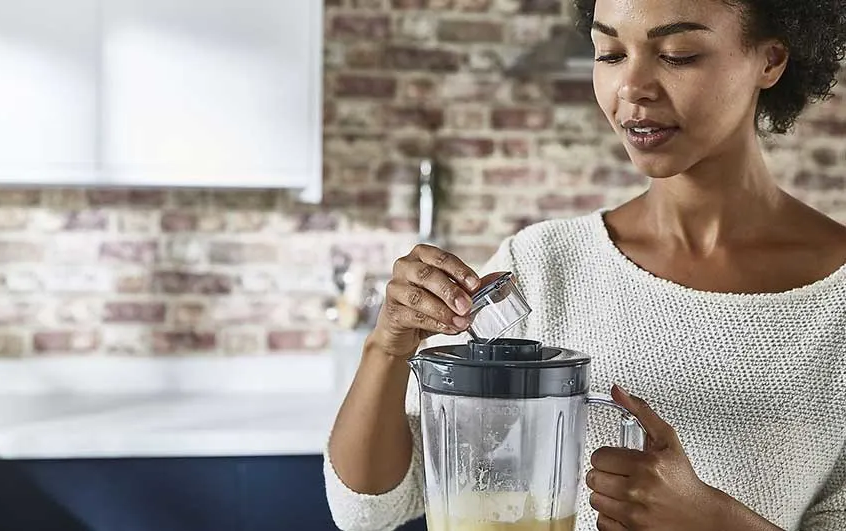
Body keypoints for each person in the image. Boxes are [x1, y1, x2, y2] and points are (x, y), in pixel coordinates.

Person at [323, 0, 846, 529]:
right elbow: (369, 509)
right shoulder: (540, 265)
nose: (632, 87)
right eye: (611, 53)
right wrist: (387, 346)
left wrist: (714, 521)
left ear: (771, 60)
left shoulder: (838, 298)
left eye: (677, 54)